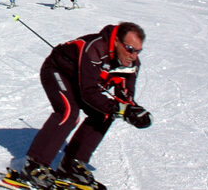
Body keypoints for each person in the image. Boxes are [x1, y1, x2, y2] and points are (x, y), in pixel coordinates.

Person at [13, 23, 152, 189]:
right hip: (59, 72)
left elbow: (124, 97)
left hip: (85, 83)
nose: (134, 56)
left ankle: (71, 166)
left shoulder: (132, 64)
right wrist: (121, 109)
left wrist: (134, 112)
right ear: (116, 41)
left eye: (138, 51)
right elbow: (88, 93)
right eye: (130, 49)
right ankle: (33, 165)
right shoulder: (95, 48)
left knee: (105, 113)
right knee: (68, 112)